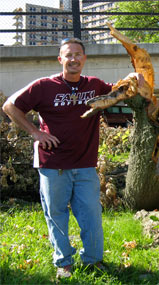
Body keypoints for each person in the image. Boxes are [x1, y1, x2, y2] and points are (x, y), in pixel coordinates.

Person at [2, 38, 142, 278]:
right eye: (69, 55)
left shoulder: (95, 85)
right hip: (52, 165)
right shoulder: (43, 86)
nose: (74, 59)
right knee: (56, 215)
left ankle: (93, 261)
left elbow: (119, 93)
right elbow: (9, 106)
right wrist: (35, 132)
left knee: (91, 215)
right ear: (61, 59)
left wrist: (134, 77)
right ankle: (63, 263)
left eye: (78, 54)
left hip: (85, 165)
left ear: (84, 59)